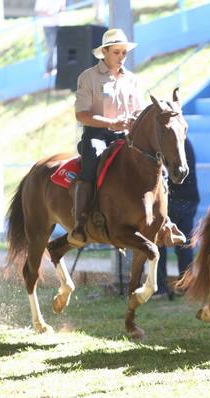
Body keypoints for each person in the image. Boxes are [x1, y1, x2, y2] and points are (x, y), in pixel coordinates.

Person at [70, 28, 143, 247]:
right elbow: (81, 114)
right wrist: (111, 123)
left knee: (152, 159)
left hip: (125, 134)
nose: (122, 57)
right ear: (105, 52)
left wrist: (134, 119)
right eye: (117, 52)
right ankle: (80, 222)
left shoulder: (132, 79)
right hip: (96, 134)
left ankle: (162, 220)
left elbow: (139, 109)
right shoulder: (88, 77)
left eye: (124, 53)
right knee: (93, 157)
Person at [155, 137, 200, 299]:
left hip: (170, 200)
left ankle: (160, 288)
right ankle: (185, 287)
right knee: (184, 245)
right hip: (188, 199)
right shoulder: (185, 142)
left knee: (158, 244)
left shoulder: (167, 144)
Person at [35, 0, 65, 76]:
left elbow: (62, 7)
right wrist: (47, 13)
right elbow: (37, 11)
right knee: (51, 47)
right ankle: (49, 69)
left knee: (59, 47)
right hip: (48, 26)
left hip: (59, 24)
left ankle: (57, 67)